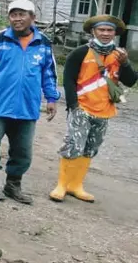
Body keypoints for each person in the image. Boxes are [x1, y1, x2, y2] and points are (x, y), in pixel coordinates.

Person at [0, 0, 59, 204]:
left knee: (23, 150)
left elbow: (49, 73)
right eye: (13, 15)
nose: (17, 19)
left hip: (27, 107)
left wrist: (52, 98)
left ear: (33, 17)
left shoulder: (43, 43)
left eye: (22, 14)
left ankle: (13, 185)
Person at [49, 15, 136, 203]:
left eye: (109, 30)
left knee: (90, 148)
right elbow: (69, 80)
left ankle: (76, 185)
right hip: (82, 107)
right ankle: (62, 184)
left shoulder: (119, 55)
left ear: (115, 33)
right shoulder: (80, 52)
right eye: (101, 30)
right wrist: (73, 106)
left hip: (104, 109)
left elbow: (130, 80)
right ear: (93, 31)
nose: (105, 33)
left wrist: (126, 63)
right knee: (74, 144)